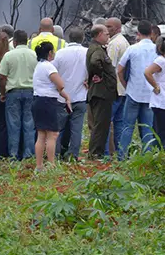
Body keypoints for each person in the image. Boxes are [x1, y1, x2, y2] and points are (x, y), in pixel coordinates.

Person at [116, 20, 158, 158]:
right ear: (151, 32)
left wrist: (125, 85)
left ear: (138, 32)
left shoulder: (132, 48)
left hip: (133, 92)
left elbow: (120, 69)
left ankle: (122, 156)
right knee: (147, 128)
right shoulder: (157, 50)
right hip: (150, 94)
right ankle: (147, 157)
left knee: (127, 126)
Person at [0, 30, 38, 160]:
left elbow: (2, 77)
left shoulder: (9, 55)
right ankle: (28, 154)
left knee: (13, 125)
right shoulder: (34, 55)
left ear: (14, 42)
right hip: (30, 92)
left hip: (13, 93)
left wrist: (2, 93)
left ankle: (14, 155)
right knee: (29, 124)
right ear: (27, 41)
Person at [33, 42, 73, 171]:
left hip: (38, 101)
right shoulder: (49, 67)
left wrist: (66, 97)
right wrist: (65, 95)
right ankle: (51, 164)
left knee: (41, 135)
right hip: (48, 102)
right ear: (50, 53)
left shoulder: (39, 66)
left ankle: (39, 165)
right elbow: (60, 85)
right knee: (52, 134)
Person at [52, 27, 89, 159]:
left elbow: (52, 72)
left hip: (61, 97)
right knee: (76, 129)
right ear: (83, 38)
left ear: (69, 37)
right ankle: (73, 154)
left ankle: (55, 154)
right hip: (80, 96)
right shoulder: (87, 53)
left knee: (57, 129)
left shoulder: (60, 53)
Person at [86, 24, 117, 160]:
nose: (108, 36)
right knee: (101, 125)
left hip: (101, 92)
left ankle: (96, 152)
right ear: (99, 34)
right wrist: (100, 75)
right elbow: (94, 63)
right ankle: (95, 154)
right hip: (101, 92)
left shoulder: (96, 48)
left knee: (101, 124)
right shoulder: (97, 50)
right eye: (106, 34)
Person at [106, 17, 130, 157]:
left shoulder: (114, 44)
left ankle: (106, 153)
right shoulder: (125, 41)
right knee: (119, 122)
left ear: (117, 28)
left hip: (114, 88)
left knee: (106, 121)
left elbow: (109, 66)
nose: (106, 29)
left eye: (109, 26)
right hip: (123, 88)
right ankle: (121, 153)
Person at [142, 36, 165, 151]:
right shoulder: (161, 60)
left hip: (162, 101)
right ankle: (158, 152)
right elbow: (147, 72)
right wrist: (155, 86)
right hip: (160, 101)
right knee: (160, 131)